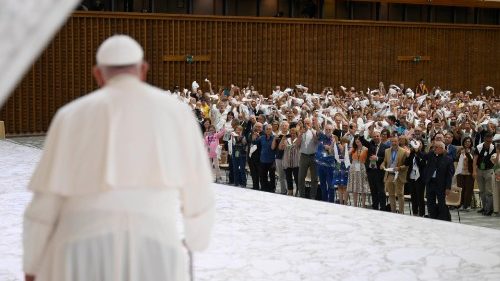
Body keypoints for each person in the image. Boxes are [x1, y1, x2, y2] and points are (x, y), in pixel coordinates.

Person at [23, 35, 215, 281]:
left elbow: (43, 205)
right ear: (143, 70)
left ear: (98, 74)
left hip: (80, 254)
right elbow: (200, 193)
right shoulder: (177, 112)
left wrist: (32, 265)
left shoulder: (69, 116)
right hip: (156, 251)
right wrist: (196, 241)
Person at [422, 141, 455, 221]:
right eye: (434, 147)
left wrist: (448, 187)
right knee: (430, 203)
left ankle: (443, 219)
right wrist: (417, 150)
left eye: (436, 147)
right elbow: (423, 156)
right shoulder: (431, 155)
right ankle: (432, 217)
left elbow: (449, 175)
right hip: (430, 182)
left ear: (442, 148)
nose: (434, 149)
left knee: (441, 203)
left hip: (441, 184)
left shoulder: (448, 159)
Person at [380, 136, 409, 214]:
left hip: (398, 175)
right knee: (391, 194)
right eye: (392, 141)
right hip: (389, 174)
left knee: (400, 194)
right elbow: (385, 161)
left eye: (395, 141)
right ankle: (393, 211)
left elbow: (407, 165)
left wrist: (399, 168)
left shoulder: (403, 151)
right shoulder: (387, 151)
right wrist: (382, 165)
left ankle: (401, 212)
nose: (394, 143)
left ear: (398, 142)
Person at [473, 132, 496, 216]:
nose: (489, 143)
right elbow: (475, 159)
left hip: (489, 170)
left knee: (489, 191)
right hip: (479, 170)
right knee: (482, 191)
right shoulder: (479, 147)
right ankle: (484, 207)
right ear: (484, 140)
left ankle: (489, 209)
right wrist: (474, 171)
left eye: (490, 141)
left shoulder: (494, 147)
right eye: (487, 141)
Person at [347, 135, 369, 208]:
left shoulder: (366, 149)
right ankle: (355, 205)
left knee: (363, 186)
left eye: (358, 139)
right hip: (354, 167)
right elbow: (346, 154)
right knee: (354, 186)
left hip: (362, 167)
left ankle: (363, 205)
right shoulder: (353, 149)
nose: (357, 140)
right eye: (356, 139)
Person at [455, 137, 475, 210]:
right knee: (461, 189)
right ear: (463, 142)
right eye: (466, 141)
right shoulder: (460, 149)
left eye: (469, 141)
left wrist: (468, 153)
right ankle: (460, 204)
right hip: (460, 172)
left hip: (469, 172)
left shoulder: (473, 150)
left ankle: (467, 205)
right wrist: (461, 153)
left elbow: (473, 160)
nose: (467, 143)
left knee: (468, 189)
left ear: (471, 143)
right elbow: (456, 159)